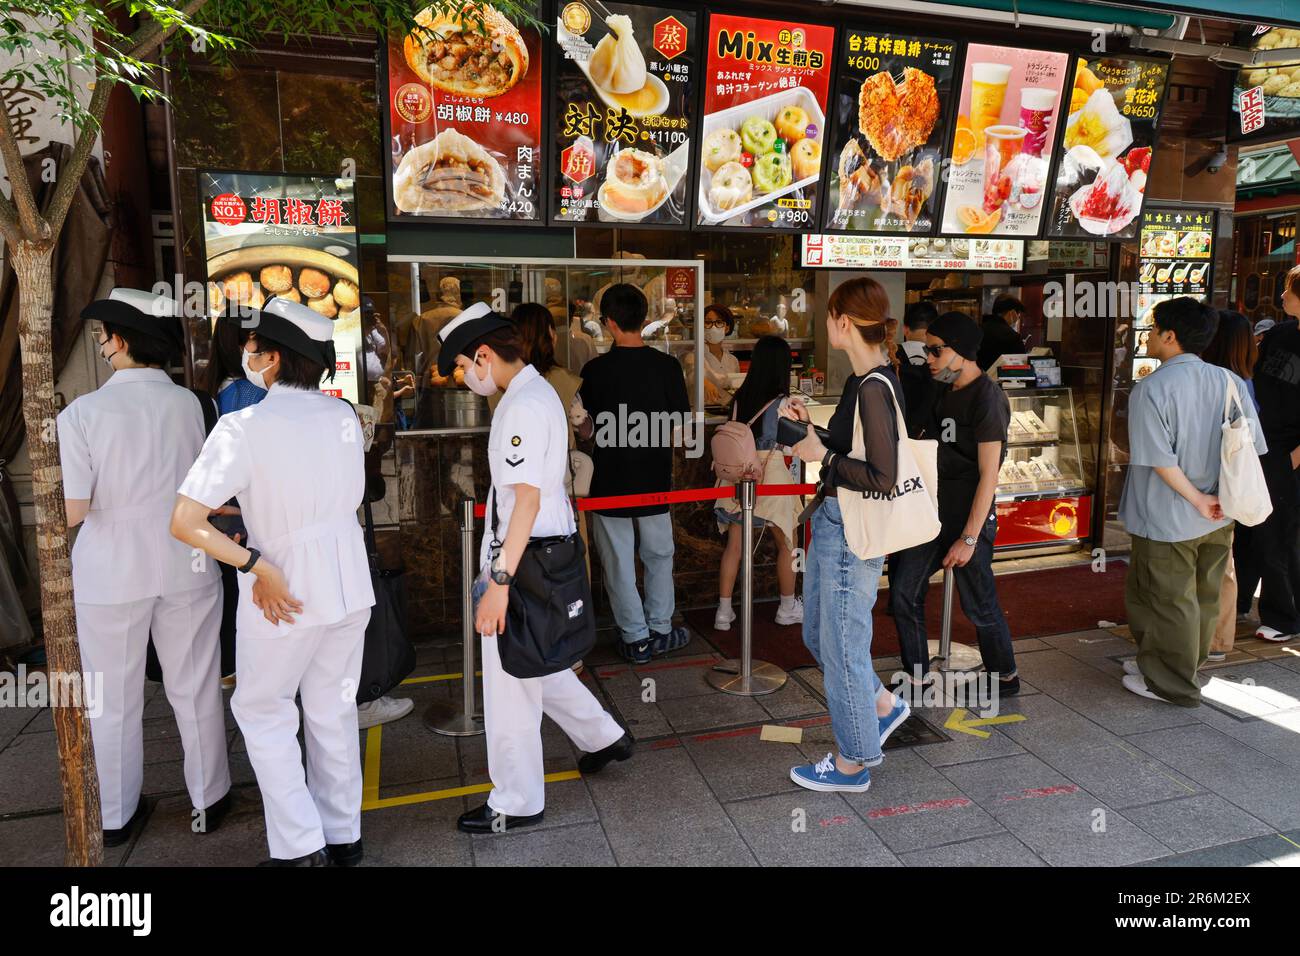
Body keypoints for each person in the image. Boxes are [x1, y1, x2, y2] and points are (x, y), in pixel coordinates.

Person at [171, 296, 376, 866]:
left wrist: (254, 565)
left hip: (281, 589)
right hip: (348, 584)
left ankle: (298, 846)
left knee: (264, 712)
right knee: (332, 709)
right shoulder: (342, 417)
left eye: (252, 345)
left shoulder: (242, 426)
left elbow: (184, 521)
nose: (245, 353)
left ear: (275, 356)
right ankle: (343, 838)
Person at [435, 302, 632, 833]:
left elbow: (522, 501)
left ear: (483, 354)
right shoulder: (536, 391)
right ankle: (604, 738)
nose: (460, 376)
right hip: (544, 550)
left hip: (522, 559)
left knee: (509, 684)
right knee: (538, 661)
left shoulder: (520, 406)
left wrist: (499, 580)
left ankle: (517, 800)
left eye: (460, 365)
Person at [59, 289, 231, 847]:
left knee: (112, 696)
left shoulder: (82, 413)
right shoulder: (195, 405)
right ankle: (210, 800)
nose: (101, 345)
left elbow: (74, 510)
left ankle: (116, 815)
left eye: (103, 335)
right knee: (197, 684)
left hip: (110, 570)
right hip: (190, 558)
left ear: (122, 340)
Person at [779, 276, 910, 792]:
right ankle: (880, 704)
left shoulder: (875, 386)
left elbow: (883, 474)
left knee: (842, 647)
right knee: (819, 635)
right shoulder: (863, 381)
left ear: (844, 322)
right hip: (837, 522)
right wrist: (813, 429)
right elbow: (847, 442)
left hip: (850, 527)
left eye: (829, 315)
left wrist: (823, 456)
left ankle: (853, 762)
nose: (824, 323)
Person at [1118, 297, 1266, 706]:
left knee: (1167, 597)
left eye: (1152, 329)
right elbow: (1251, 445)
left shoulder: (1151, 388)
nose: (1147, 336)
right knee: (1203, 594)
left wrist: (1198, 499)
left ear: (1170, 336)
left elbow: (1159, 459)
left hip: (1169, 514)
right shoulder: (1228, 380)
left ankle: (1172, 683)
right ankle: (1173, 662)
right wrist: (1213, 497)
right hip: (1221, 511)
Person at [891, 312, 1020, 697]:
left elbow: (989, 476)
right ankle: (916, 676)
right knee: (903, 592)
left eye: (936, 351)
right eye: (927, 350)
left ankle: (1005, 676)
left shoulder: (988, 398)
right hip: (933, 514)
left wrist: (968, 537)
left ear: (961, 351)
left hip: (969, 520)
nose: (928, 358)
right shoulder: (944, 390)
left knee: (979, 604)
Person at [579, 283, 693, 664]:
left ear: (609, 322)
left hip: (609, 482)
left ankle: (636, 638)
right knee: (660, 555)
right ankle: (660, 627)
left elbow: (587, 429)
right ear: (644, 320)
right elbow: (680, 427)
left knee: (618, 562)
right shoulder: (667, 367)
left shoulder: (594, 371)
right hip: (655, 480)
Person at [713, 336, 801, 631]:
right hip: (770, 475)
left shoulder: (740, 397)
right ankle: (787, 607)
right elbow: (793, 445)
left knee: (734, 545)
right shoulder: (784, 402)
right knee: (787, 543)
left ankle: (723, 612)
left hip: (736, 475)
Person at [1202, 310, 1261, 662]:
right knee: (1222, 565)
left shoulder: (1217, 380)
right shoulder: (1243, 379)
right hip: (1229, 483)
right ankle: (1219, 640)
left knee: (1215, 566)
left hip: (1208, 484)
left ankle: (1208, 640)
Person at [1250, 267, 1300, 644]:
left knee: (1286, 533)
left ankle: (1285, 617)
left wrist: (1294, 458)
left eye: (1288, 290)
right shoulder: (1279, 334)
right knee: (1265, 529)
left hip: (1292, 452)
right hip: (1265, 442)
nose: (1282, 296)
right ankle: (1276, 610)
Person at [683, 304, 741, 407]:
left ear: (727, 328)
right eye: (708, 322)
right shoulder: (693, 357)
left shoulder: (733, 360)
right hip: (701, 416)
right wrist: (705, 382)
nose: (713, 327)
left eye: (719, 322)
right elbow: (693, 376)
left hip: (727, 416)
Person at [898, 301, 937, 438]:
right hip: (930, 437)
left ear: (905, 329)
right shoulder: (941, 360)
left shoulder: (888, 356)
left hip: (896, 434)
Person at [977, 294, 1027, 371]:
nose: (1018, 319)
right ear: (1012, 313)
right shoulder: (1012, 336)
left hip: (976, 380)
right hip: (1000, 382)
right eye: (1018, 314)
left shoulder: (977, 330)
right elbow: (1021, 369)